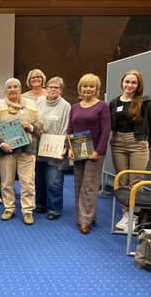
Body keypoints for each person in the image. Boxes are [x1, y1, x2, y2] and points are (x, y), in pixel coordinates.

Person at [109, 70, 151, 231]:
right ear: (122, 83)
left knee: (135, 182)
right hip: (118, 143)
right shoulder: (114, 102)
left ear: (138, 85)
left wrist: (144, 142)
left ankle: (135, 216)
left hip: (138, 142)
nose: (130, 85)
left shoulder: (145, 102)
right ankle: (126, 215)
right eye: (127, 82)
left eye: (133, 82)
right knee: (122, 181)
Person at [0, 78, 43, 224]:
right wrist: (1, 144)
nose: (12, 89)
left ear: (20, 89)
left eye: (15, 87)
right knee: (6, 182)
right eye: (9, 87)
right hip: (6, 150)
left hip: (27, 149)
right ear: (5, 90)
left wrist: (30, 126)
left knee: (28, 182)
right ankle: (9, 208)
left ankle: (27, 211)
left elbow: (40, 124)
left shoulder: (30, 104)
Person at [67, 73, 111, 234]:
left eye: (91, 86)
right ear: (80, 88)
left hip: (94, 152)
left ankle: (84, 220)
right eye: (85, 86)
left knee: (90, 186)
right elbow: (70, 129)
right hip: (78, 151)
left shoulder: (102, 106)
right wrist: (70, 148)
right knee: (79, 184)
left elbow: (106, 130)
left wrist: (99, 151)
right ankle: (86, 215)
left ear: (97, 89)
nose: (88, 89)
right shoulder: (75, 107)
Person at [35, 77, 71, 220]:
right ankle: (40, 204)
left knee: (54, 181)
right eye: (50, 87)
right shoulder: (39, 102)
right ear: (46, 88)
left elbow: (67, 128)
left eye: (56, 88)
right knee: (39, 179)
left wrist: (63, 147)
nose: (52, 90)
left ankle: (55, 209)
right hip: (39, 147)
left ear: (61, 90)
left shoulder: (65, 106)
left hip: (56, 149)